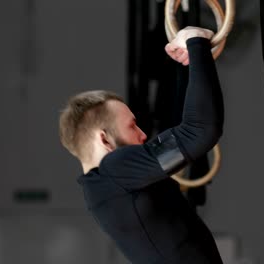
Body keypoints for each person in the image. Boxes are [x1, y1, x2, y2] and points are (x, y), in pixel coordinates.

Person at [58, 26, 224, 264]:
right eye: (132, 126)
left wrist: (187, 64)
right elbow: (200, 130)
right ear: (104, 139)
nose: (144, 134)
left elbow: (183, 130)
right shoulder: (115, 169)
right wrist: (196, 43)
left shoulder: (104, 185)